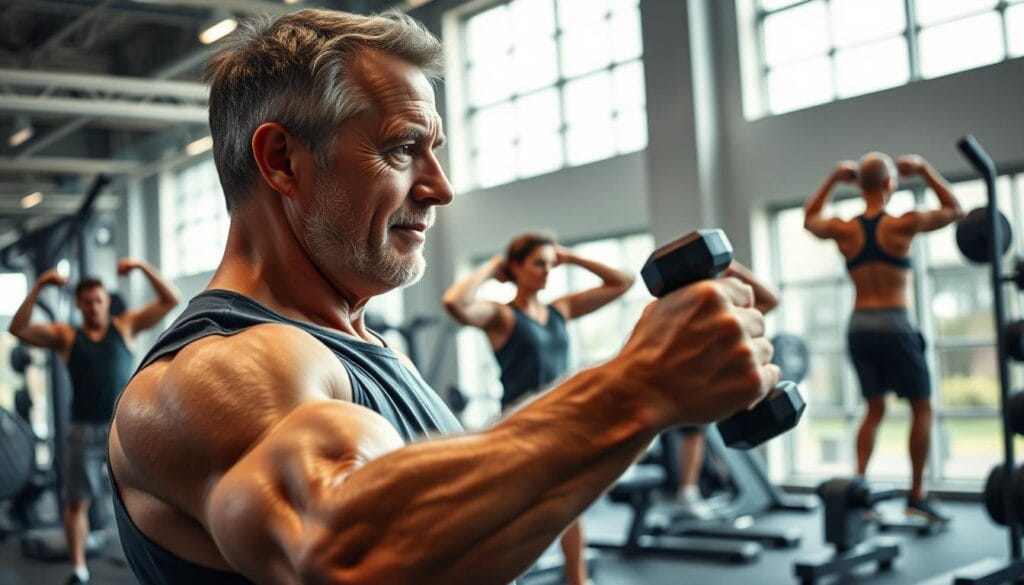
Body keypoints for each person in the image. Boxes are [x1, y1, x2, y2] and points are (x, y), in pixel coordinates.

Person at [107, 10, 780, 584]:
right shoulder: (223, 369)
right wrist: (641, 385)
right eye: (404, 149)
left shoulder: (352, 344)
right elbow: (345, 552)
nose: (441, 186)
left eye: (437, 150)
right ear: (283, 160)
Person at [442, 232, 635, 585]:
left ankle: (578, 580)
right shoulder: (503, 317)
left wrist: (569, 257)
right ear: (516, 267)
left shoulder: (560, 310)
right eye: (538, 264)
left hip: (562, 420)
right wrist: (490, 268)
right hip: (520, 424)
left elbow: (623, 281)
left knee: (570, 502)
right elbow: (455, 302)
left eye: (551, 265)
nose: (547, 271)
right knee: (512, 511)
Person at [804, 152, 964, 523]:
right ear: (891, 183)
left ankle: (859, 490)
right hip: (894, 324)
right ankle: (917, 495)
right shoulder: (901, 225)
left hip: (859, 326)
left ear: (859, 185)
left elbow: (810, 219)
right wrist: (925, 168)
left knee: (873, 410)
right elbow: (954, 209)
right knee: (922, 408)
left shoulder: (845, 230)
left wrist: (832, 177)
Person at [8, 259, 181, 585]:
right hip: (83, 431)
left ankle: (153, 567)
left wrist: (142, 266)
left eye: (98, 301)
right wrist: (41, 284)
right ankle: (79, 570)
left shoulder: (125, 326)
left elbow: (170, 299)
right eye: (87, 302)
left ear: (106, 301)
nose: (93, 307)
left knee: (149, 500)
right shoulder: (66, 336)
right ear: (79, 304)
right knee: (77, 503)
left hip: (126, 429)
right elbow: (17, 328)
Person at [673, 262, 779, 520]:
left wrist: (733, 268)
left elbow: (772, 300)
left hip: (727, 383)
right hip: (696, 385)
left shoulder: (734, 315)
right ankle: (687, 492)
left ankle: (718, 486)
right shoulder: (688, 313)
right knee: (696, 430)